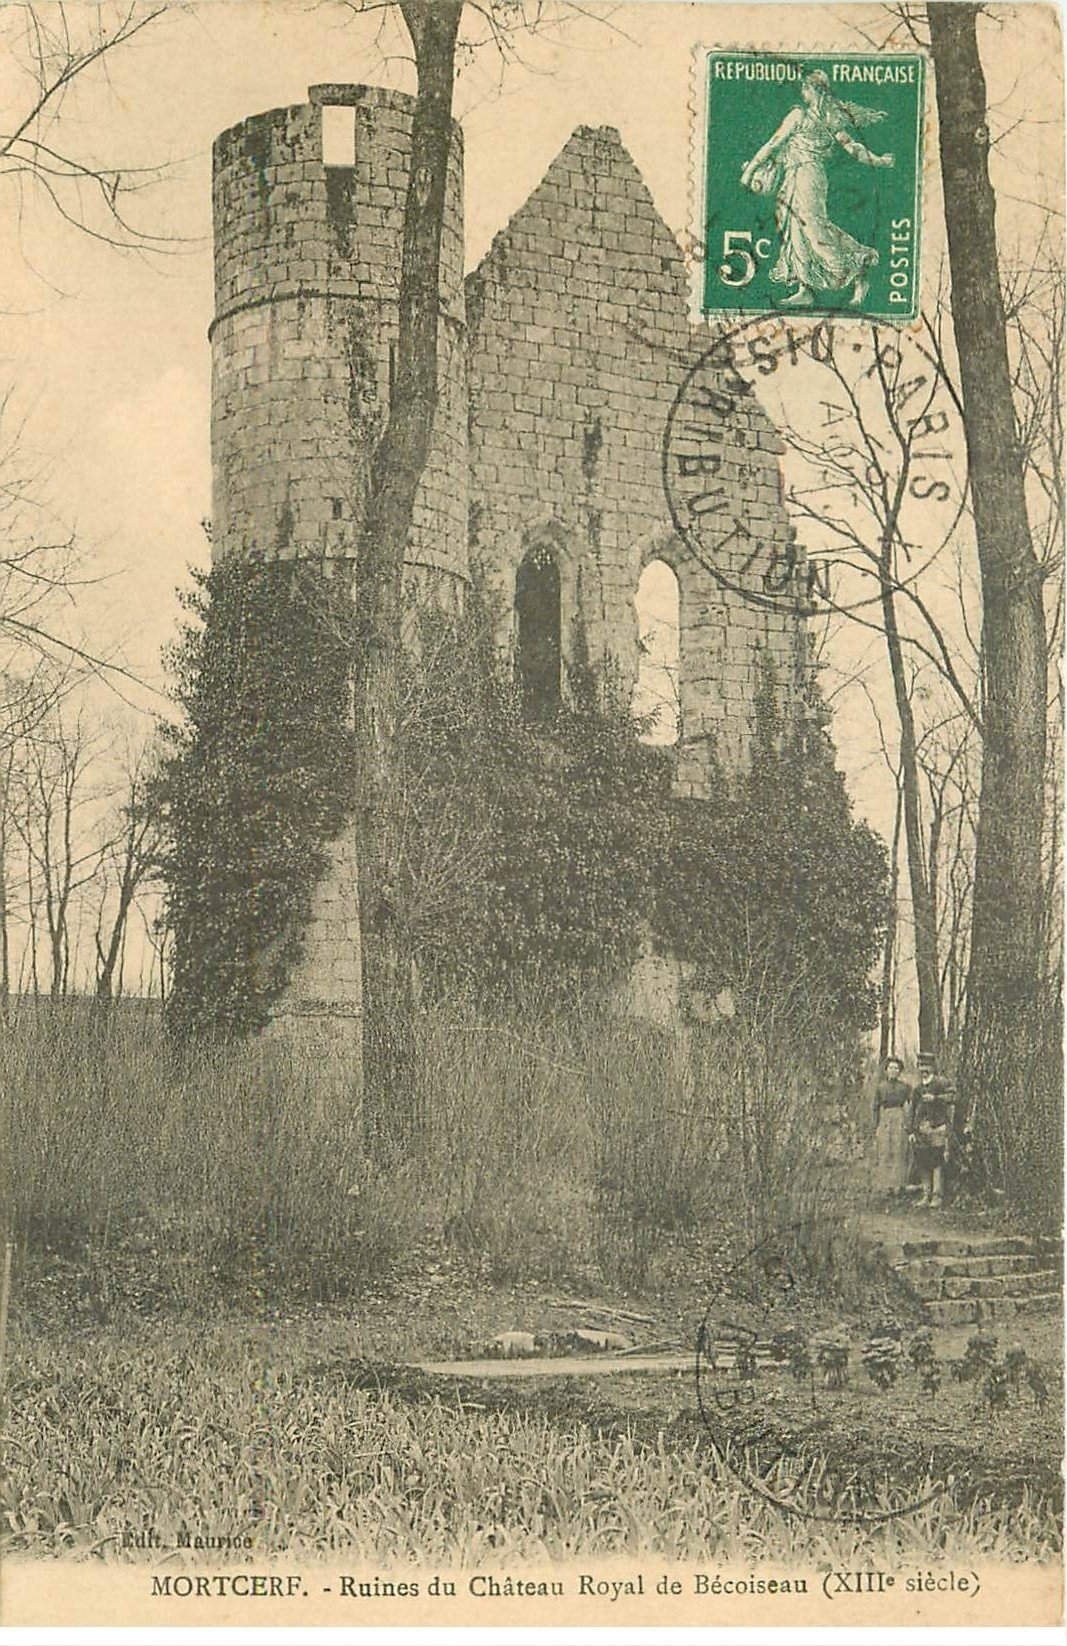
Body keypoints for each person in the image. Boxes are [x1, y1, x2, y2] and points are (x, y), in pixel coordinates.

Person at [739, 68, 896, 308]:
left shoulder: (809, 117)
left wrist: (879, 161)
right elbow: (776, 144)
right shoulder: (810, 117)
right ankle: (805, 288)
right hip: (794, 176)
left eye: (806, 87)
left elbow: (852, 148)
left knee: (814, 229)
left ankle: (857, 270)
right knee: (794, 230)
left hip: (809, 176)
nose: (802, 91)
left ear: (816, 90)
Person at [909, 1058, 956, 1210]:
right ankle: (925, 1194)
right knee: (923, 1161)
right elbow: (912, 1109)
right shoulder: (917, 1089)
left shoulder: (941, 1083)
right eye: (921, 1066)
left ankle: (937, 1196)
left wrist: (936, 1098)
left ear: (933, 1067)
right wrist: (911, 1130)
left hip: (938, 1127)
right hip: (922, 1129)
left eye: (927, 1066)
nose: (924, 1069)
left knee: (937, 1161)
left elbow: (953, 1097)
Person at [871, 1055, 912, 1199]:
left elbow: (912, 1106)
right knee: (885, 1150)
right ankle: (886, 1185)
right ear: (886, 1070)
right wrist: (875, 1126)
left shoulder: (905, 1087)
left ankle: (898, 1185)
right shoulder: (880, 1087)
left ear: (899, 1071)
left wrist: (909, 1124)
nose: (893, 1070)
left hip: (900, 1117)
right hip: (885, 1118)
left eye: (896, 1068)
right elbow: (875, 1107)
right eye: (891, 1068)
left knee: (899, 1149)